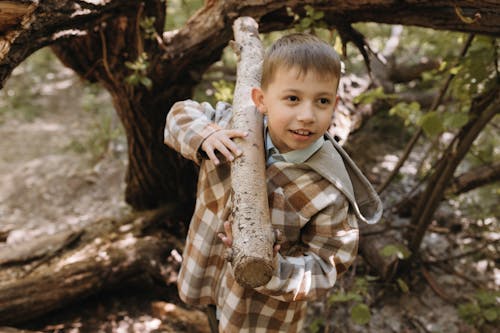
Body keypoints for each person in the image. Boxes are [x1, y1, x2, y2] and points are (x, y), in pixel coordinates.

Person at [164, 33, 382, 333]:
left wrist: (274, 270)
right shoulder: (235, 124)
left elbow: (327, 264)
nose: (307, 115)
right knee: (214, 318)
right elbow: (180, 113)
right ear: (261, 100)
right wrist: (205, 135)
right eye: (293, 98)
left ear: (335, 103)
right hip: (209, 267)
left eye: (322, 101)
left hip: (259, 310)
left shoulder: (328, 191)